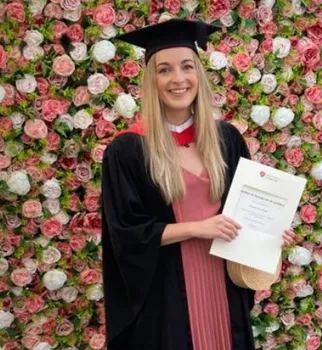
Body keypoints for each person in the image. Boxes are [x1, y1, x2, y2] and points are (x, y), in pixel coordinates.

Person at [101, 19, 296, 350]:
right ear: (152, 81)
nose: (178, 79)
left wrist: (271, 231)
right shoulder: (128, 150)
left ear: (198, 75)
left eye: (187, 66)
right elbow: (127, 233)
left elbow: (245, 211)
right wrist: (197, 228)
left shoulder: (227, 140)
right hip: (167, 297)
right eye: (164, 70)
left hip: (223, 284)